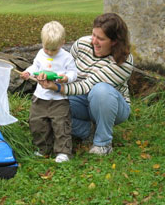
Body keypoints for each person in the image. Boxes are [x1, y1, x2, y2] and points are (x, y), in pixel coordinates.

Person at [37, 13, 133, 155]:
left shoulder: (123, 61)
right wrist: (55, 78)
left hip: (110, 104)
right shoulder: (81, 44)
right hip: (80, 99)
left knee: (100, 90)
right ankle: (87, 131)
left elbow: (87, 85)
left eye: (100, 39)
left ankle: (103, 144)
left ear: (114, 41)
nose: (94, 41)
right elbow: (67, 69)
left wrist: (58, 87)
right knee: (50, 106)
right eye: (93, 35)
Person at [20, 21, 78, 163]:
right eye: (47, 49)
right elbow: (35, 67)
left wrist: (66, 78)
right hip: (40, 98)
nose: (50, 52)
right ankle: (43, 148)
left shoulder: (66, 57)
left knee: (61, 125)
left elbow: (73, 73)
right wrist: (28, 72)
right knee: (37, 123)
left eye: (54, 49)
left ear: (62, 42)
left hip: (59, 100)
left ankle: (63, 151)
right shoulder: (41, 53)